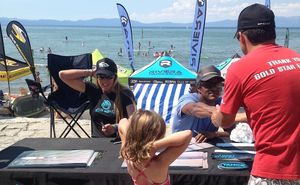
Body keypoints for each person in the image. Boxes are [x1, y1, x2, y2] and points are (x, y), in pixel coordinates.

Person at [211, 3, 300, 184]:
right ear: (273, 33)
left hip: (274, 168)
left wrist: (216, 117)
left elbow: (226, 120)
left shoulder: (240, 68)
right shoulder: (296, 58)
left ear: (241, 37)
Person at [59, 58, 136, 138]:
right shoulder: (93, 90)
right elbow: (62, 75)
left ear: (115, 77)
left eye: (109, 77)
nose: (105, 81)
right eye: (101, 77)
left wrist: (115, 128)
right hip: (96, 141)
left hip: (118, 141)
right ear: (96, 77)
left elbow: (133, 121)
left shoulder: (125, 93)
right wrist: (90, 72)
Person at [172, 65, 247, 143]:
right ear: (198, 87)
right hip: (181, 148)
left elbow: (230, 131)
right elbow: (194, 109)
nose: (214, 88)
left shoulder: (220, 102)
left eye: (218, 85)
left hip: (206, 148)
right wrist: (227, 113)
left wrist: (214, 134)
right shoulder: (187, 99)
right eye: (209, 85)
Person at [119, 109, 192, 185]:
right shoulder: (160, 163)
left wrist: (129, 140)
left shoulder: (127, 154)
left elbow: (123, 121)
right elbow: (188, 134)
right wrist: (155, 145)